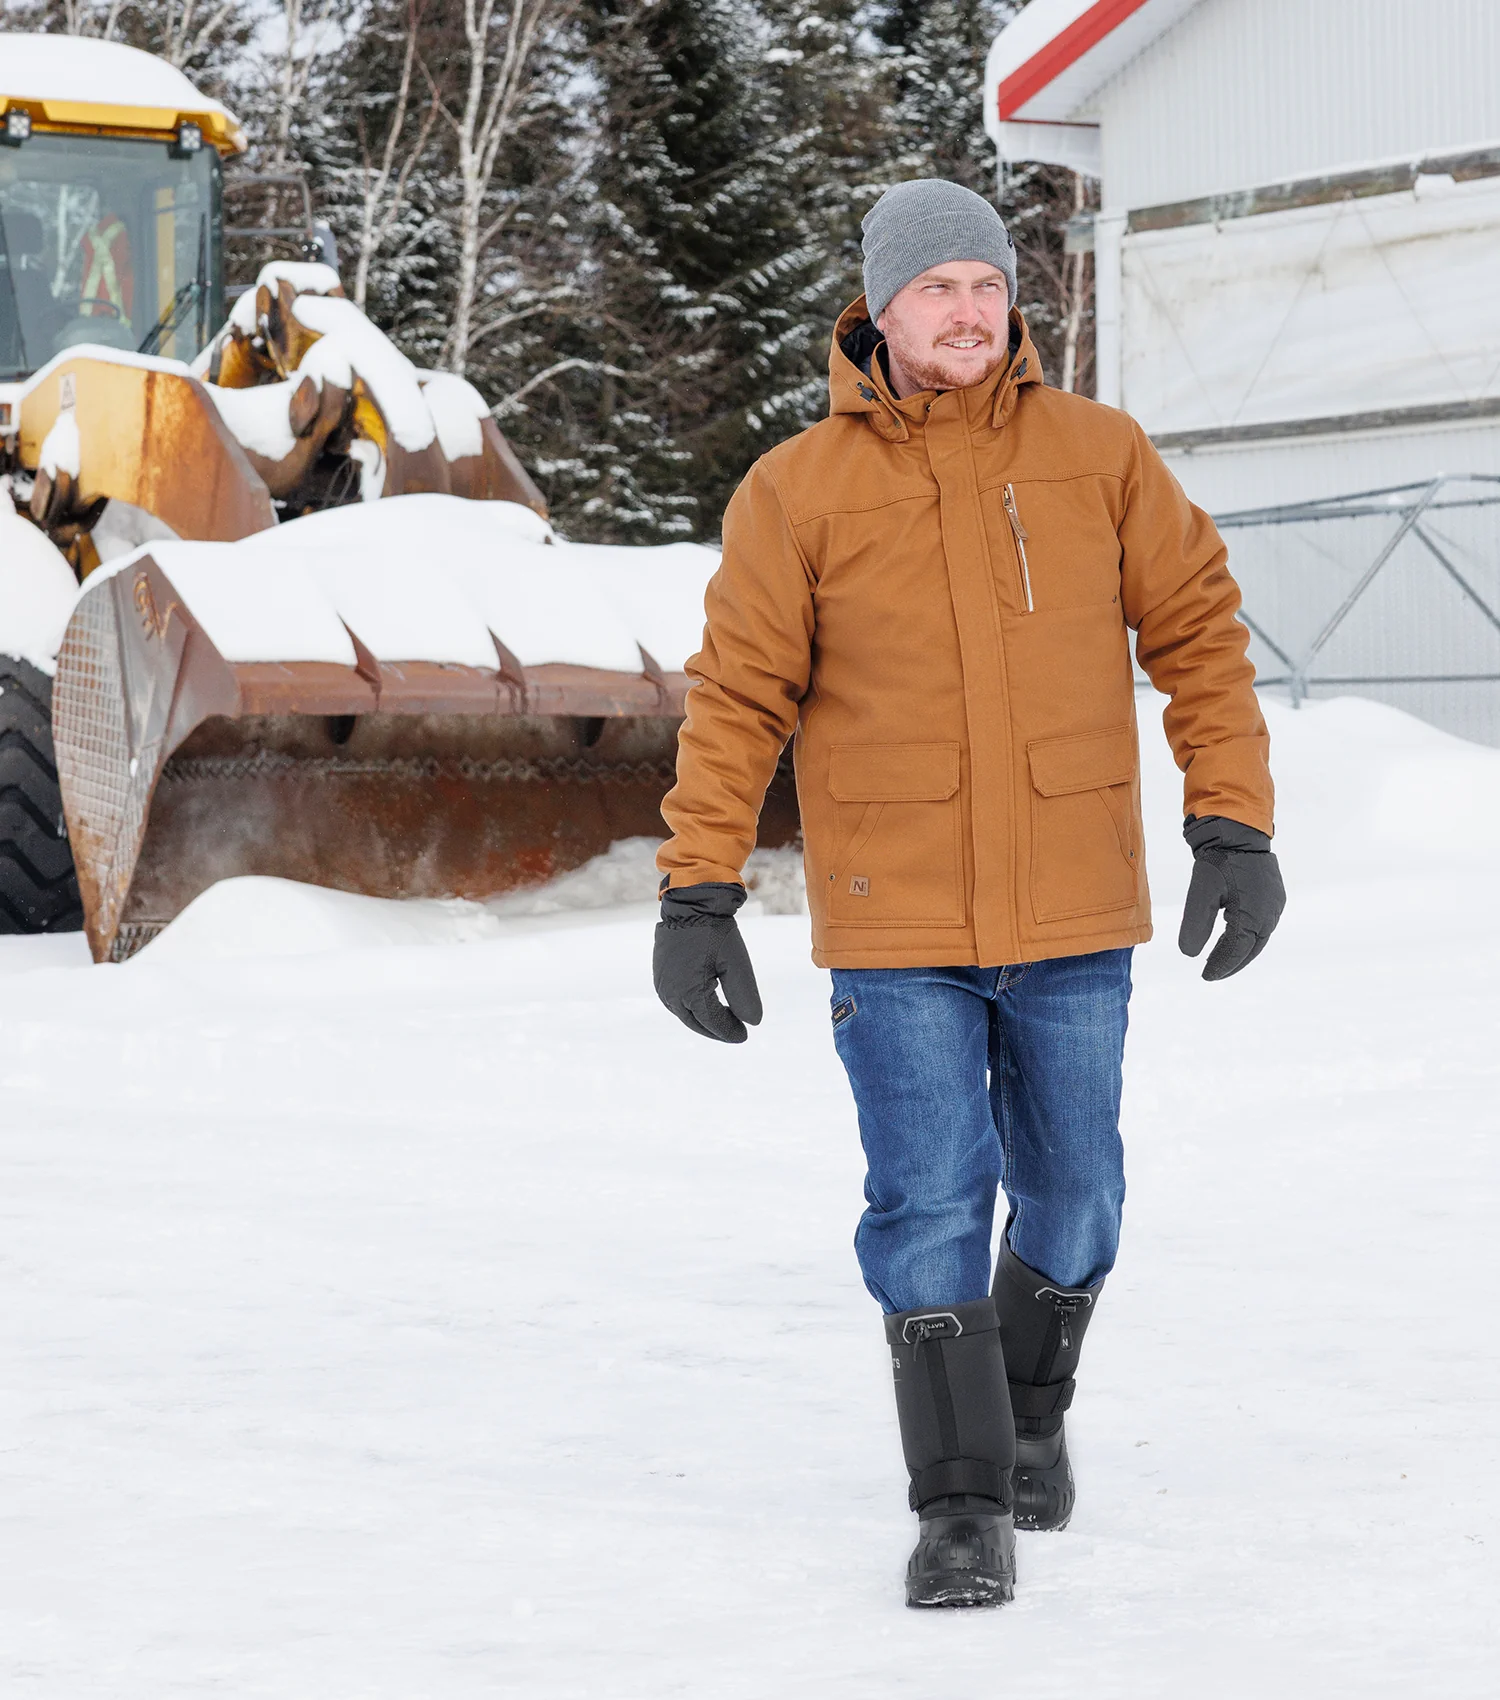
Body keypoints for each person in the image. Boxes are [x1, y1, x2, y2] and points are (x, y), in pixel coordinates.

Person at [651, 179, 1285, 1609]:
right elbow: (738, 693)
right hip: (898, 914)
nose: (971, 311)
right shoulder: (796, 490)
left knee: (1076, 1195)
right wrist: (698, 888)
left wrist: (1231, 821)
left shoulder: (1099, 456)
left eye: (988, 286)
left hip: (1072, 905)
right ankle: (958, 1503)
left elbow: (1198, 630)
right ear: (880, 309)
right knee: (929, 1201)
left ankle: (1029, 1414)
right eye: (939, 288)